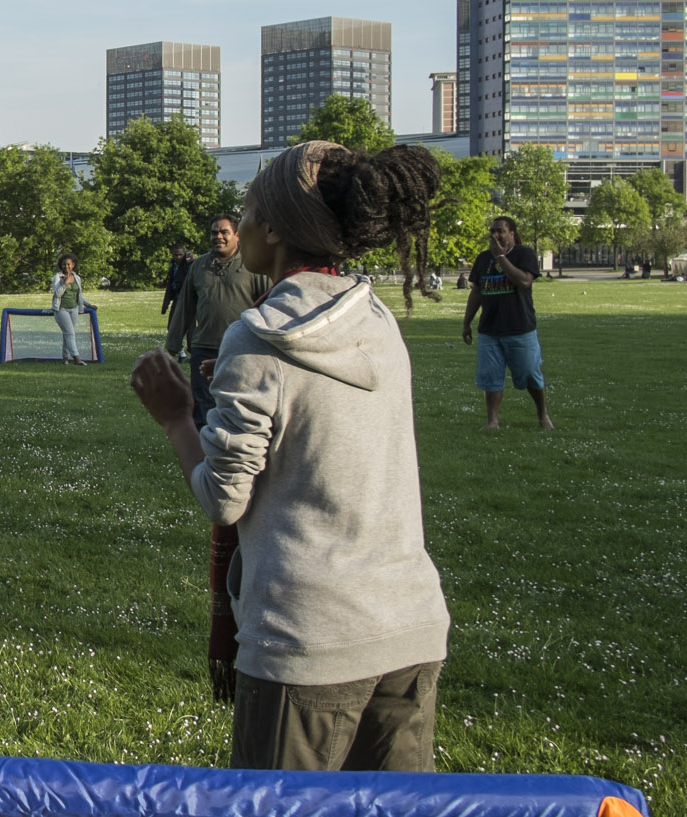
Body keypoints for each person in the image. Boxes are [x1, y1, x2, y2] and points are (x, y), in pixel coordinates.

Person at [130, 140, 451, 772]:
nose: (239, 222)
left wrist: (175, 417)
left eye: (247, 209)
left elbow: (224, 498)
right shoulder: (379, 317)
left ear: (272, 228)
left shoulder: (260, 336)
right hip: (410, 628)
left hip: (309, 639)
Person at [165, 214, 266, 428]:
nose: (218, 237)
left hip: (242, 349)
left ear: (237, 236)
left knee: (240, 407)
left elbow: (268, 304)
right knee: (203, 407)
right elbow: (184, 308)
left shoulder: (252, 264)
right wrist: (171, 347)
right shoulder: (199, 266)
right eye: (214, 233)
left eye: (224, 232)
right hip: (204, 346)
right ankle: (203, 455)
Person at [463, 216, 554, 430]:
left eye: (500, 231)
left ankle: (542, 415)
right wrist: (466, 322)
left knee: (531, 374)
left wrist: (501, 258)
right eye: (492, 231)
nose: (495, 235)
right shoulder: (483, 259)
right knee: (491, 377)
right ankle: (493, 421)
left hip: (520, 328)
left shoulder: (524, 254)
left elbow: (524, 281)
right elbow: (477, 292)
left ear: (512, 233)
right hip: (490, 330)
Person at [50, 253, 95, 364]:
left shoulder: (77, 278)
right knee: (70, 333)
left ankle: (65, 358)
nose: (66, 266)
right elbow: (57, 294)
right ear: (61, 265)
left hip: (74, 309)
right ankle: (77, 358)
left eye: (69, 264)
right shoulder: (57, 277)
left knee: (68, 333)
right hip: (61, 309)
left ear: (73, 265)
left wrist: (88, 305)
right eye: (64, 264)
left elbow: (78, 295)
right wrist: (65, 284)